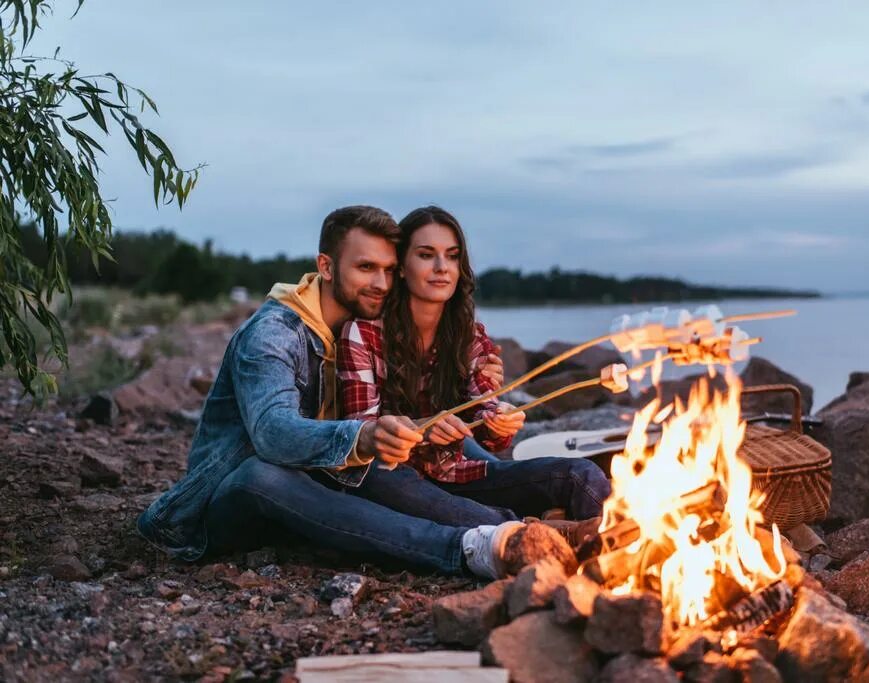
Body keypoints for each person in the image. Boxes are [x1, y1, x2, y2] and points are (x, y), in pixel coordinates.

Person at [136, 205, 570, 579]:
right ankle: (469, 547)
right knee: (265, 474)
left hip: (318, 484)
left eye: (387, 269)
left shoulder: (353, 328)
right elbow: (272, 434)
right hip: (226, 503)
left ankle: (538, 522)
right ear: (325, 267)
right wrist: (362, 437)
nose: (381, 283)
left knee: (424, 450)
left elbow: (397, 403)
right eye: (365, 268)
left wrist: (471, 381)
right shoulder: (273, 335)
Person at [338, 206, 610, 536]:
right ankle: (528, 531)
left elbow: (488, 424)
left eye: (451, 256)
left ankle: (604, 542)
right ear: (402, 268)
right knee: (378, 476)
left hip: (456, 473)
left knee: (582, 475)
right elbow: (360, 431)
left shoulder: (469, 335)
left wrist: (501, 419)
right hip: (395, 477)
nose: (441, 268)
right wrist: (421, 430)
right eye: (426, 255)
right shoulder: (363, 333)